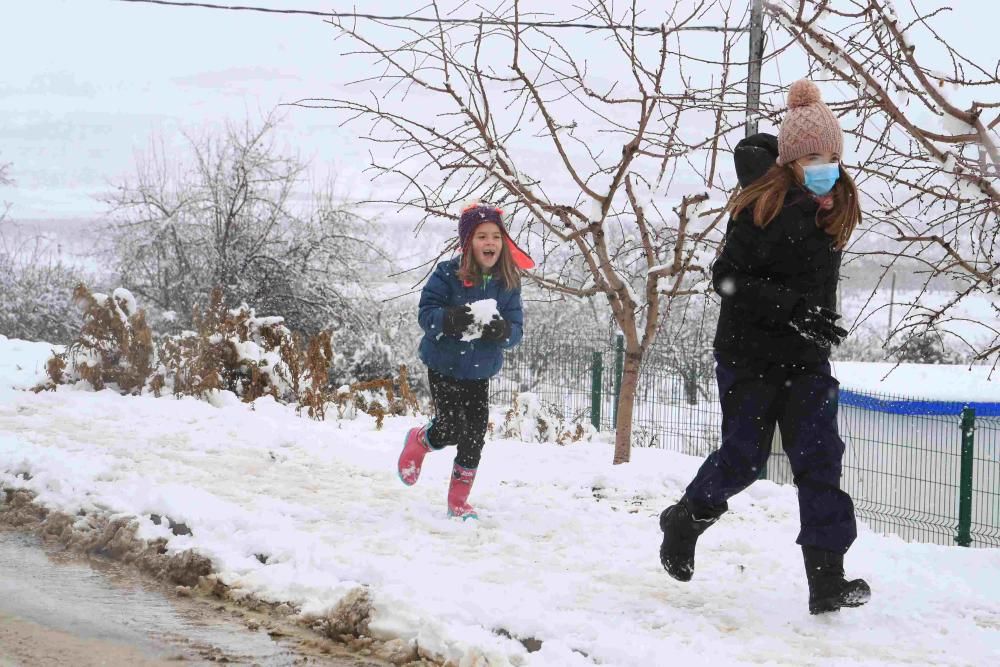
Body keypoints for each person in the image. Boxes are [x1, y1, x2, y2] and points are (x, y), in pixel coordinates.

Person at [658, 79, 872, 615]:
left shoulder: (834, 207)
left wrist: (820, 323)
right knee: (745, 459)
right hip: (749, 357)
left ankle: (827, 580)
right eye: (814, 155)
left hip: (805, 360)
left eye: (833, 155)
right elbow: (727, 279)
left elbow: (816, 286)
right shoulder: (762, 206)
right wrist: (794, 310)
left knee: (820, 460)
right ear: (793, 159)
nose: (826, 164)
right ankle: (685, 519)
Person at [397, 202, 533, 519]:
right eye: (482, 236)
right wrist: (452, 319)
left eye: (496, 237)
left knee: (473, 436)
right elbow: (426, 315)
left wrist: (502, 331)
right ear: (469, 242)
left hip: (479, 371)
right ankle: (420, 440)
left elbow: (516, 331)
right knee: (450, 428)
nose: (490, 243)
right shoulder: (447, 274)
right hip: (444, 364)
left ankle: (458, 502)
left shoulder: (508, 283)